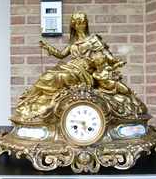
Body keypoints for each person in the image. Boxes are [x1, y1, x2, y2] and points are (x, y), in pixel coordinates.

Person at [16, 11, 147, 119]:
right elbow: (62, 55)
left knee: (60, 76)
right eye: (77, 23)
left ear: (86, 23)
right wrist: (47, 47)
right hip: (72, 67)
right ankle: (30, 99)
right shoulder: (74, 41)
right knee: (47, 75)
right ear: (73, 25)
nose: (80, 25)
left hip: (85, 73)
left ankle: (32, 100)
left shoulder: (93, 39)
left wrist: (114, 61)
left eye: (83, 22)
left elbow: (105, 53)